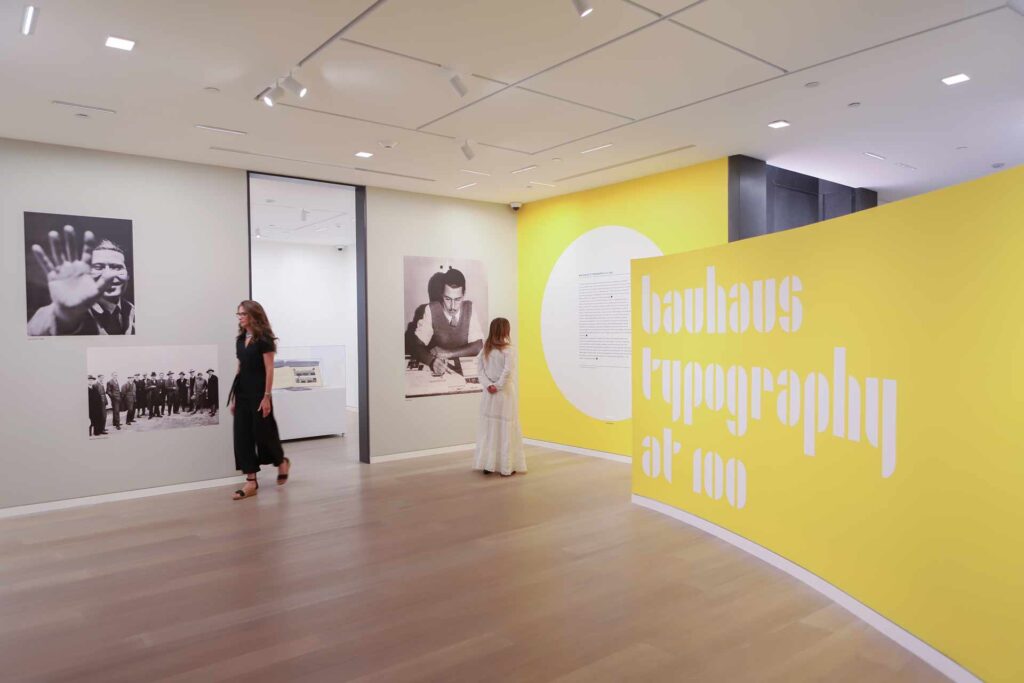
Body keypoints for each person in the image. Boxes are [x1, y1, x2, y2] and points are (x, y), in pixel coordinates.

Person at [27, 226, 135, 336]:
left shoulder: (135, 313)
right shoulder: (59, 313)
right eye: (98, 267)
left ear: (128, 275)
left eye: (117, 267)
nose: (108, 275)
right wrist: (64, 316)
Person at [230, 300, 288, 500]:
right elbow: (240, 366)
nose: (240, 317)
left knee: (264, 433)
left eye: (243, 314)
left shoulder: (264, 339)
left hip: (259, 392)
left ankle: (281, 461)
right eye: (238, 314)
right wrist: (234, 397)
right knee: (242, 435)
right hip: (242, 392)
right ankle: (251, 481)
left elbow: (269, 369)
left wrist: (266, 397)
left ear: (254, 315)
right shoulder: (240, 339)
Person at [473, 317, 526, 476]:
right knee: (506, 428)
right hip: (504, 394)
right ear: (505, 331)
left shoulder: (486, 348)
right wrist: (497, 385)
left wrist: (488, 384)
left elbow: (479, 370)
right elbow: (508, 371)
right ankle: (506, 466)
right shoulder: (509, 349)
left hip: (489, 395)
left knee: (490, 429)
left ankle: (488, 465)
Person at [407, 268, 483, 376]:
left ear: (464, 294)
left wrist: (448, 353)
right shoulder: (431, 310)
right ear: (441, 294)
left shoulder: (469, 308)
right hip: (439, 367)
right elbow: (415, 345)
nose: (452, 307)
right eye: (447, 299)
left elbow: (478, 346)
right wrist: (431, 361)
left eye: (457, 299)